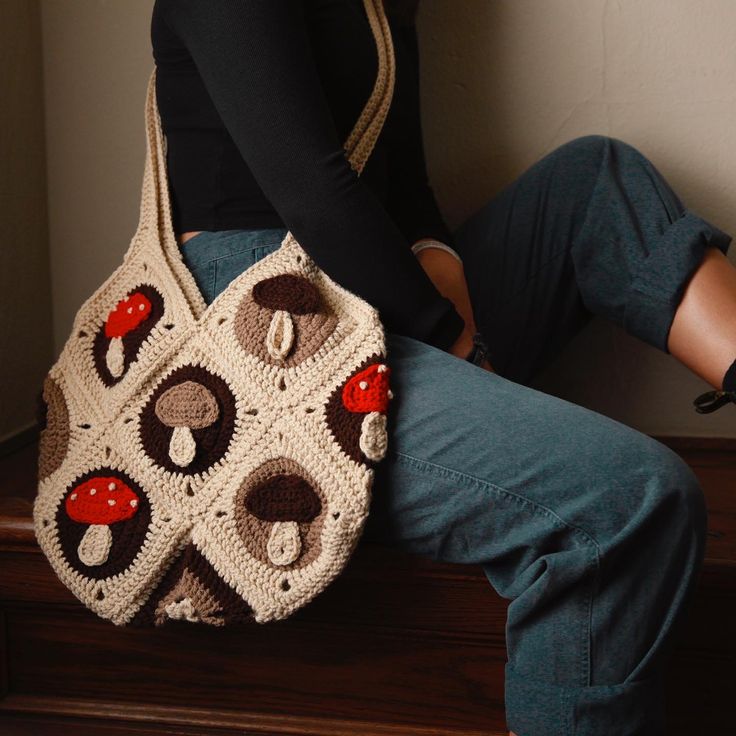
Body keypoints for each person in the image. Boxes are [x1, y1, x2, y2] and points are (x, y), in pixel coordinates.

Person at [151, 1, 735, 734]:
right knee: (629, 505)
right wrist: (457, 341)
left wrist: (440, 262)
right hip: (259, 326)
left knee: (596, 175)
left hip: (369, 287)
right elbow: (311, 188)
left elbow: (402, 187)